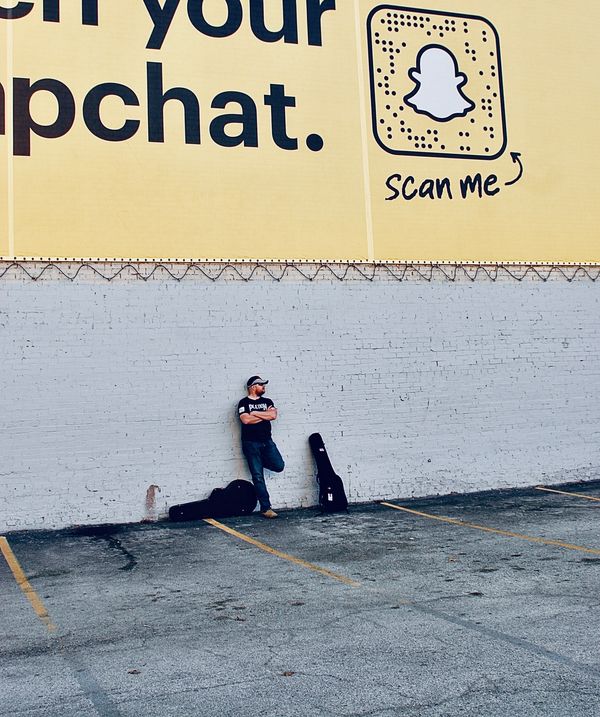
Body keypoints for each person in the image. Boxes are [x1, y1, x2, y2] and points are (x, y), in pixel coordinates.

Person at [237, 376, 285, 518]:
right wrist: (265, 415)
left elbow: (273, 415)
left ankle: (258, 462)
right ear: (252, 387)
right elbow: (245, 420)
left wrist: (256, 413)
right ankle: (266, 508)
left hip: (267, 441)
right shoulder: (243, 402)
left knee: (279, 465)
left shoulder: (267, 401)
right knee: (258, 476)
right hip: (251, 444)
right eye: (260, 385)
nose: (264, 387)